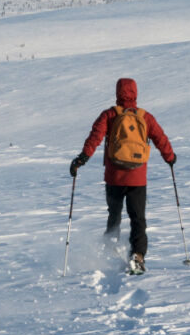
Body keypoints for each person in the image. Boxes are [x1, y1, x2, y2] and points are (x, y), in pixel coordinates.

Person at [70, 77, 175, 274]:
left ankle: (110, 249)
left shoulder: (110, 115)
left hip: (114, 177)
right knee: (138, 219)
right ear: (136, 93)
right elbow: (160, 137)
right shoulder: (145, 117)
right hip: (137, 178)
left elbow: (95, 137)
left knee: (114, 216)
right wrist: (170, 157)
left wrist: (82, 158)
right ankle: (138, 256)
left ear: (117, 93)